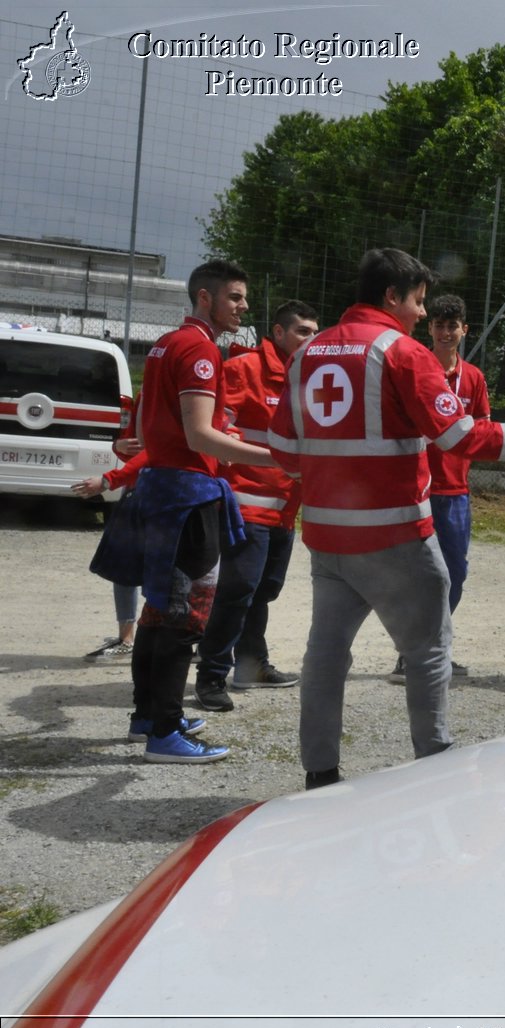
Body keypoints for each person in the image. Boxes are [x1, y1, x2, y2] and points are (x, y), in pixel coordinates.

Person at [268, 248, 505, 789]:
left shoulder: (304, 356)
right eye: (419, 302)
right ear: (392, 297)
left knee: (326, 655)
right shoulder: (402, 353)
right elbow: (461, 436)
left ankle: (320, 775)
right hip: (397, 533)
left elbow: (284, 454)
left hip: (328, 537)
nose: (424, 315)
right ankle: (436, 767)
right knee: (428, 651)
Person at [90, 260, 276, 763]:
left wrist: (217, 437)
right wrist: (281, 459)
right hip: (187, 495)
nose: (243, 307)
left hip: (162, 487)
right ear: (204, 298)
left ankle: (148, 716)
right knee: (185, 613)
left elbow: (159, 432)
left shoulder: (167, 344)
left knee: (158, 608)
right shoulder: (198, 348)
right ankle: (166, 733)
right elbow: (198, 436)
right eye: (234, 297)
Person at [192, 300, 318, 712]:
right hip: (246, 505)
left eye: (315, 332)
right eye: (302, 331)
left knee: (263, 591)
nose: (310, 339)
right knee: (237, 591)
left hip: (284, 507)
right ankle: (211, 676)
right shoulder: (243, 371)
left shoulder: (311, 379)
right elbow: (213, 430)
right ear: (278, 333)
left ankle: (251, 666)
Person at [388, 293, 489, 684]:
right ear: (429, 328)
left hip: (455, 492)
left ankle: (431, 648)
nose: (446, 332)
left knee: (455, 576)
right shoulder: (415, 368)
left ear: (464, 330)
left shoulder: (474, 378)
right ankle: (411, 655)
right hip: (416, 488)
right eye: (439, 325)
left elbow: (482, 429)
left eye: (453, 326)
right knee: (417, 575)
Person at [75, 437, 146, 663]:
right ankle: (126, 639)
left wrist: (108, 480)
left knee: (159, 572)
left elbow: (158, 449)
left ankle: (145, 643)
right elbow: (137, 449)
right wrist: (118, 446)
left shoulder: (170, 401)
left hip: (157, 493)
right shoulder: (144, 400)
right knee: (124, 567)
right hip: (136, 489)